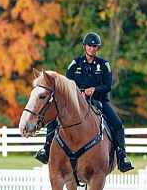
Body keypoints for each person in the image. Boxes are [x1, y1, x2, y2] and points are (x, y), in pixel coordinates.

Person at [34, 32, 134, 173]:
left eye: (94, 46)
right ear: (84, 47)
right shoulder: (76, 63)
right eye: (89, 46)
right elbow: (67, 83)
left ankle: (121, 156)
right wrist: (79, 92)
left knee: (117, 124)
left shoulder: (103, 64)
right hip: (76, 101)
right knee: (55, 121)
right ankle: (46, 149)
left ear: (97, 48)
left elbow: (108, 85)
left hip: (99, 100)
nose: (91, 48)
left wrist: (94, 89)